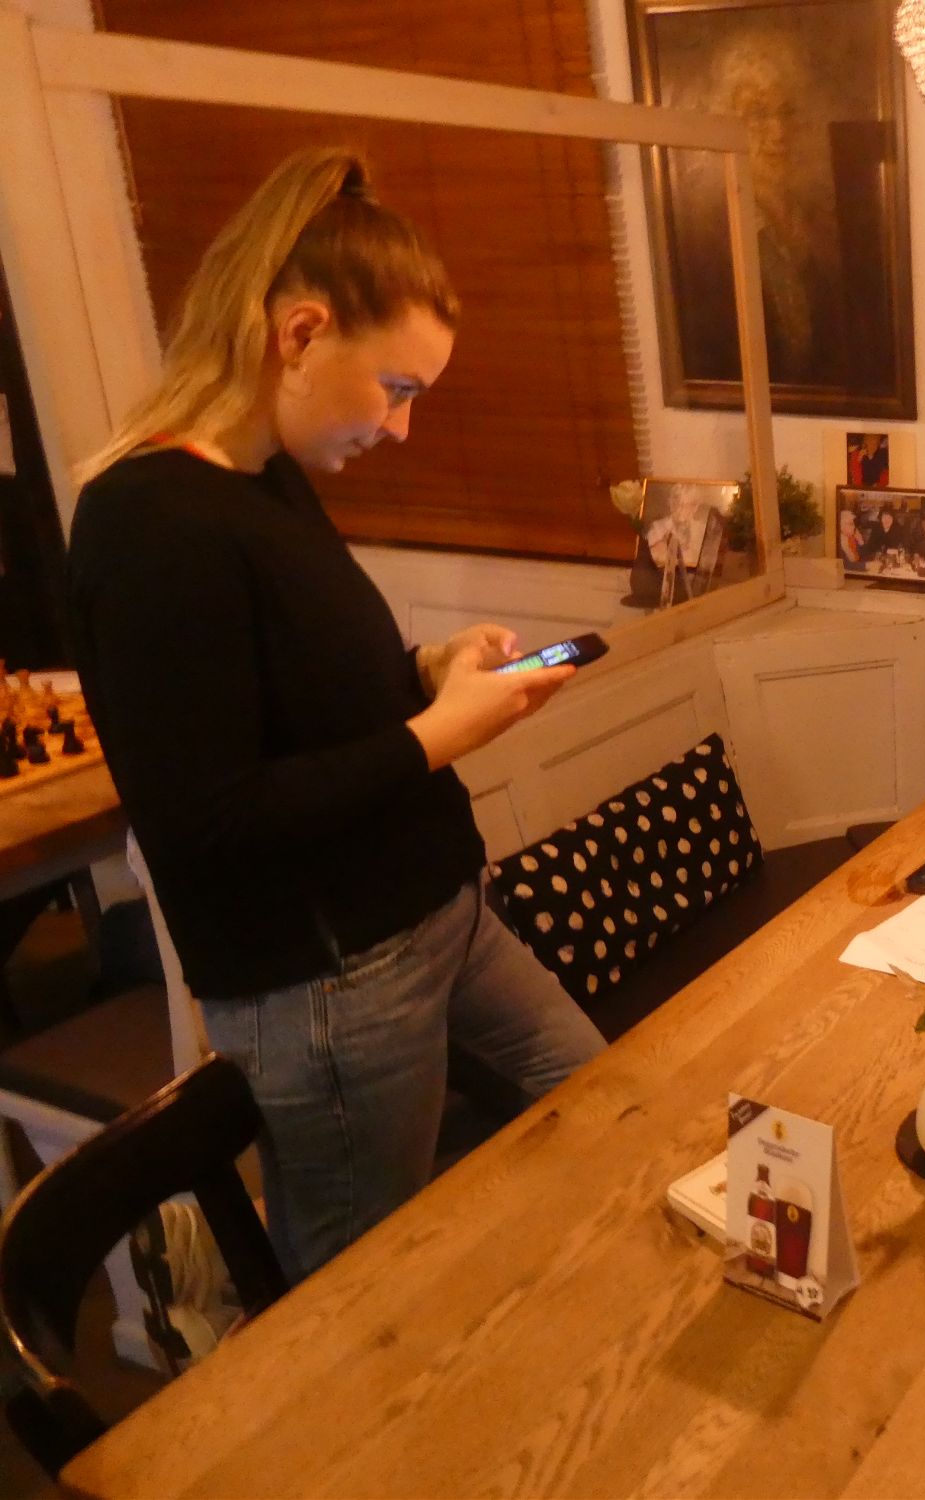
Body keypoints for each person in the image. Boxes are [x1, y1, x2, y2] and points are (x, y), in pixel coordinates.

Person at [67, 148, 606, 1284]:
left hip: (438, 917)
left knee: (604, 1093)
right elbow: (206, 820)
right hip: (331, 986)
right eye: (397, 389)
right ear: (300, 333)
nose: (401, 428)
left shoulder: (266, 481)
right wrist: (442, 733)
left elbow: (298, 699)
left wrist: (426, 670)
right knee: (363, 1284)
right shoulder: (149, 525)